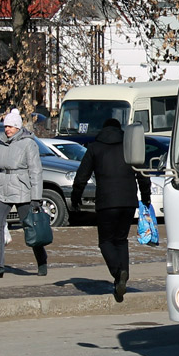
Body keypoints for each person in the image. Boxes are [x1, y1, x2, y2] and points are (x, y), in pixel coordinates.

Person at [71, 118, 151, 302]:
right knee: (121, 240)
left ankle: (118, 272)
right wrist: (145, 197)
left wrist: (76, 198)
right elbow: (142, 174)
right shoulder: (129, 146)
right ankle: (122, 278)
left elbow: (82, 175)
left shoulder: (95, 147)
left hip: (106, 202)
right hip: (128, 201)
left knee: (106, 241)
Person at [0, 109, 48, 278]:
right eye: (6, 126)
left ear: (18, 127)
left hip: (22, 190)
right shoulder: (0, 142)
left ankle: (41, 260)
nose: (7, 129)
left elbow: (36, 171)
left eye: (11, 126)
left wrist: (36, 197)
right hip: (2, 189)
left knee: (30, 227)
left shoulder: (29, 143)